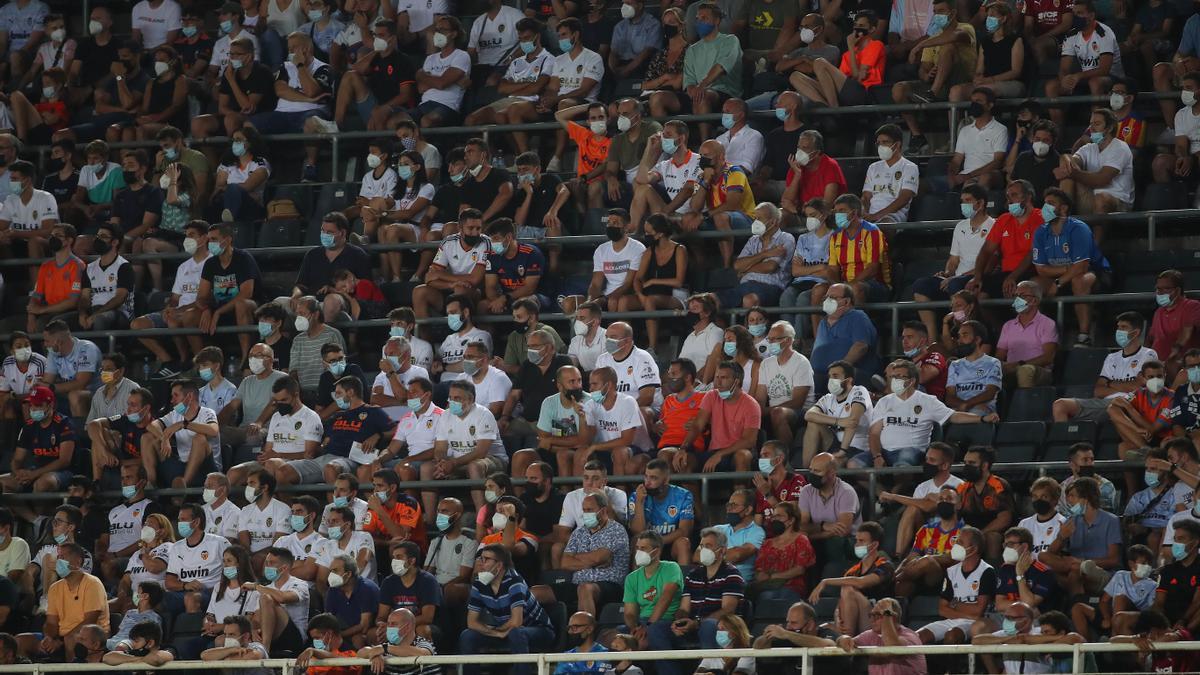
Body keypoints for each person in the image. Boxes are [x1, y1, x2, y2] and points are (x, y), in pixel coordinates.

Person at [891, 0, 978, 154]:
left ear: (952, 13)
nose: (938, 15)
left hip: (962, 80)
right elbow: (923, 70)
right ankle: (918, 136)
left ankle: (933, 94)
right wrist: (927, 74)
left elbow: (954, 36)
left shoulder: (966, 28)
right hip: (938, 83)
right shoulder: (934, 37)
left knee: (948, 48)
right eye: (936, 12)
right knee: (899, 89)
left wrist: (920, 45)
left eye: (942, 11)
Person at [460, 544, 555, 675]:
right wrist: (496, 633)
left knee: (516, 633)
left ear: (499, 566)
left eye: (486, 559)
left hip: (540, 631)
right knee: (467, 635)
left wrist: (498, 631)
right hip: (506, 631)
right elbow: (472, 623)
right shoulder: (479, 584)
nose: (480, 563)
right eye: (480, 559)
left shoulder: (514, 581)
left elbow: (516, 622)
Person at [423, 380, 508, 516]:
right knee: (426, 468)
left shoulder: (483, 414)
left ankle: (482, 518)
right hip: (458, 462)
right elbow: (440, 449)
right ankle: (430, 520)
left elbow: (481, 452)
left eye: (457, 398)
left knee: (474, 466)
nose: (452, 402)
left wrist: (453, 463)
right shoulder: (446, 415)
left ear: (471, 399)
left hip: (492, 459)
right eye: (450, 398)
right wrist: (442, 463)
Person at [1038, 477, 1122, 597]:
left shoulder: (1111, 520)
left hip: (1102, 572)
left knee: (1074, 571)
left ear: (1086, 498)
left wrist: (1081, 562)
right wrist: (1062, 537)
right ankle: (1078, 600)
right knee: (1043, 555)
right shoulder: (1071, 521)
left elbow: (1113, 560)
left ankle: (1074, 603)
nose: (1068, 500)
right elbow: (1050, 554)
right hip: (1074, 568)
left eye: (1072, 496)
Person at [1043, 0, 1122, 127]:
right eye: (1074, 13)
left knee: (1095, 82)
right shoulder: (1071, 34)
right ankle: (1057, 132)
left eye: (1079, 13)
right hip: (1085, 77)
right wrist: (1064, 80)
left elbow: (1104, 69)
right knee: (1051, 86)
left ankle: (1096, 127)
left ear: (1091, 15)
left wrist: (1077, 76)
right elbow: (1064, 67)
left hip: (1112, 78)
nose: (1075, 17)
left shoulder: (1104, 33)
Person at [197, 222, 261, 368]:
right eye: (208, 240)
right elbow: (201, 297)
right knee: (192, 314)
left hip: (251, 306)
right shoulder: (210, 264)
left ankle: (246, 360)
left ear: (228, 240)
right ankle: (200, 363)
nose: (210, 243)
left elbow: (246, 293)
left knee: (241, 304)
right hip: (220, 309)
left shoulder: (243, 258)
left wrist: (219, 311)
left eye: (214, 239)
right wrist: (206, 309)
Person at [557, 491, 629, 616]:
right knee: (539, 592)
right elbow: (565, 562)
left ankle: (586, 631)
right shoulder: (579, 532)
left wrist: (575, 557)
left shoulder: (616, 530)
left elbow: (600, 557)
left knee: (585, 589)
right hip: (578, 584)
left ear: (603, 510)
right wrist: (592, 561)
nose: (586, 514)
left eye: (590, 510)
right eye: (584, 510)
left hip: (609, 584)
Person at [967, 180, 1041, 300]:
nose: (1009, 200)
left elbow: (1033, 252)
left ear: (1028, 197)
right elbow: (986, 250)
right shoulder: (1003, 219)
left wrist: (1013, 276)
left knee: (1021, 293)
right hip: (1005, 274)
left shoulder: (1040, 218)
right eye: (1007, 196)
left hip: (1030, 272)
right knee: (978, 296)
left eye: (1014, 195)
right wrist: (978, 276)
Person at [1057, 107, 1134, 219]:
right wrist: (1065, 159)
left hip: (1118, 201)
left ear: (1109, 128)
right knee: (1067, 179)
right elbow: (1070, 159)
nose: (1091, 128)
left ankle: (1095, 237)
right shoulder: (1088, 148)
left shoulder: (1120, 147)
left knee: (1101, 198)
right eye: (1090, 124)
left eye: (1097, 124)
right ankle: (1064, 225)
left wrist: (1072, 172)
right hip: (1091, 197)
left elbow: (1101, 180)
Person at [680, 3, 742, 142]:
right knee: (658, 98)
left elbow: (721, 67)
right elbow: (689, 78)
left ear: (717, 21)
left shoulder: (730, 40)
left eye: (704, 18)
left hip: (724, 92)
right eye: (698, 18)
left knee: (702, 96)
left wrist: (701, 86)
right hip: (697, 92)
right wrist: (691, 88)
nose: (699, 22)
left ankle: (704, 143)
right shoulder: (692, 49)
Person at [1070, 544, 1157, 640]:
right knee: (1078, 608)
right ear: (1131, 564)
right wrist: (1106, 618)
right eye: (1144, 563)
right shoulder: (1120, 575)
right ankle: (1087, 648)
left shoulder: (1152, 585)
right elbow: (1104, 601)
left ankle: (1113, 639)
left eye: (1149, 564)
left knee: (1120, 598)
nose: (1147, 566)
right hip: (1110, 614)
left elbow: (1150, 611)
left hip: (1131, 616)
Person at [0, 385, 74, 498]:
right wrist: (17, 472)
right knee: (3, 483)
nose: (33, 409)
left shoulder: (63, 424)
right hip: (35, 470)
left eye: (38, 405)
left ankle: (41, 515)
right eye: (31, 405)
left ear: (51, 405)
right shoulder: (29, 426)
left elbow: (64, 461)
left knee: (43, 484)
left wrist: (34, 474)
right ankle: (32, 516)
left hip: (63, 472)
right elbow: (17, 459)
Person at [630, 123, 700, 231]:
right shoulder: (665, 165)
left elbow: (688, 190)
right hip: (673, 213)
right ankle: (633, 230)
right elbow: (641, 179)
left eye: (668, 134)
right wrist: (649, 149)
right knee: (642, 188)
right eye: (663, 134)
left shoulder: (697, 160)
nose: (663, 138)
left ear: (681, 139)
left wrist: (664, 213)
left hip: (693, 215)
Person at [797, 453, 862, 566]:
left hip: (850, 540)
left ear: (832, 473)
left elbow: (843, 531)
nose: (812, 474)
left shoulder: (846, 492)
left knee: (834, 542)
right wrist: (823, 526)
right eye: (811, 470)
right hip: (822, 538)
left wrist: (810, 535)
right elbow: (802, 525)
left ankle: (834, 577)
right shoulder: (806, 491)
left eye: (817, 471)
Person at [836, 597, 926, 675]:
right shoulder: (870, 635)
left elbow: (892, 648)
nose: (872, 619)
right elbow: (845, 642)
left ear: (893, 617)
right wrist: (843, 638)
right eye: (871, 615)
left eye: (878, 615)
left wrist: (887, 613)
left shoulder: (910, 636)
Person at [996, 280, 1058, 389]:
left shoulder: (1047, 324)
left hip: (1039, 371)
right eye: (1016, 295)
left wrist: (1019, 365)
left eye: (1022, 295)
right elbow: (999, 356)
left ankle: (1024, 404)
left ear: (1035, 300)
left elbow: (1048, 358)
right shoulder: (1008, 325)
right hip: (1012, 369)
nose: (1017, 299)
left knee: (1025, 371)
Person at [861, 124, 918, 224]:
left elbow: (904, 198)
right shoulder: (873, 167)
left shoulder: (910, 167)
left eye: (885, 142)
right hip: (871, 214)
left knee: (885, 224)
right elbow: (866, 197)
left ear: (897, 145)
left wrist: (876, 216)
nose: (880, 146)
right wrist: (864, 213)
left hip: (894, 216)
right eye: (878, 143)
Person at [1151, 269, 1200, 378]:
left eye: (1166, 289)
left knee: (1174, 365)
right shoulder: (1158, 312)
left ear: (1177, 290)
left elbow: (1187, 331)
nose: (1160, 292)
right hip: (1158, 368)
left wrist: (1175, 351)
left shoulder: (1192, 306)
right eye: (1158, 289)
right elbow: (1151, 338)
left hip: (1183, 365)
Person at [357, 607, 437, 674]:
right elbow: (361, 653)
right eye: (388, 624)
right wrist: (375, 654)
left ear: (408, 627)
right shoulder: (388, 645)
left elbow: (423, 654)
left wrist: (384, 648)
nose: (389, 627)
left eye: (394, 624)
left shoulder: (423, 643)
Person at [200, 614, 269, 665]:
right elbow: (204, 655)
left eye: (231, 634)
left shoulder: (256, 646)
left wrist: (224, 659)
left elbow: (255, 655)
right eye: (225, 635)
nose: (227, 638)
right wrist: (231, 650)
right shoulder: (226, 651)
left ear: (245, 636)